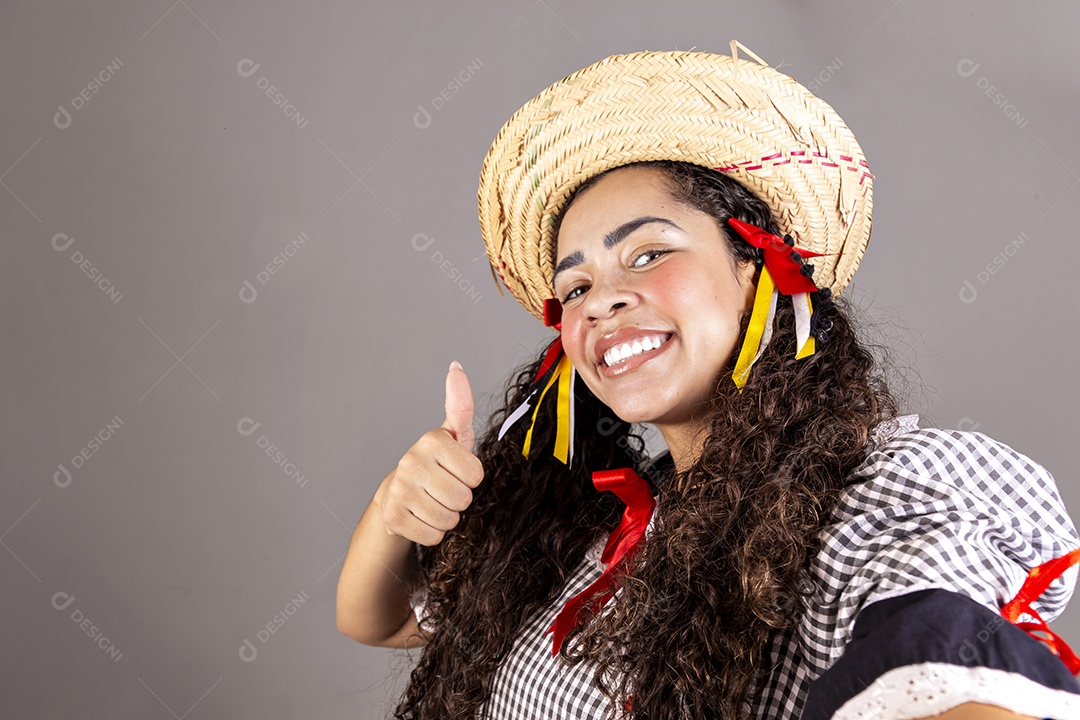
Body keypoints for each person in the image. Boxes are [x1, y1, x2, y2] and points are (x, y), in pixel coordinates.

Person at [336, 43, 1080, 719]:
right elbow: (378, 617)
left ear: (754, 269)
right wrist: (392, 509)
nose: (604, 301)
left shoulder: (869, 500)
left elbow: (958, 680)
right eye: (578, 287)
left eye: (649, 253)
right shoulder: (582, 522)